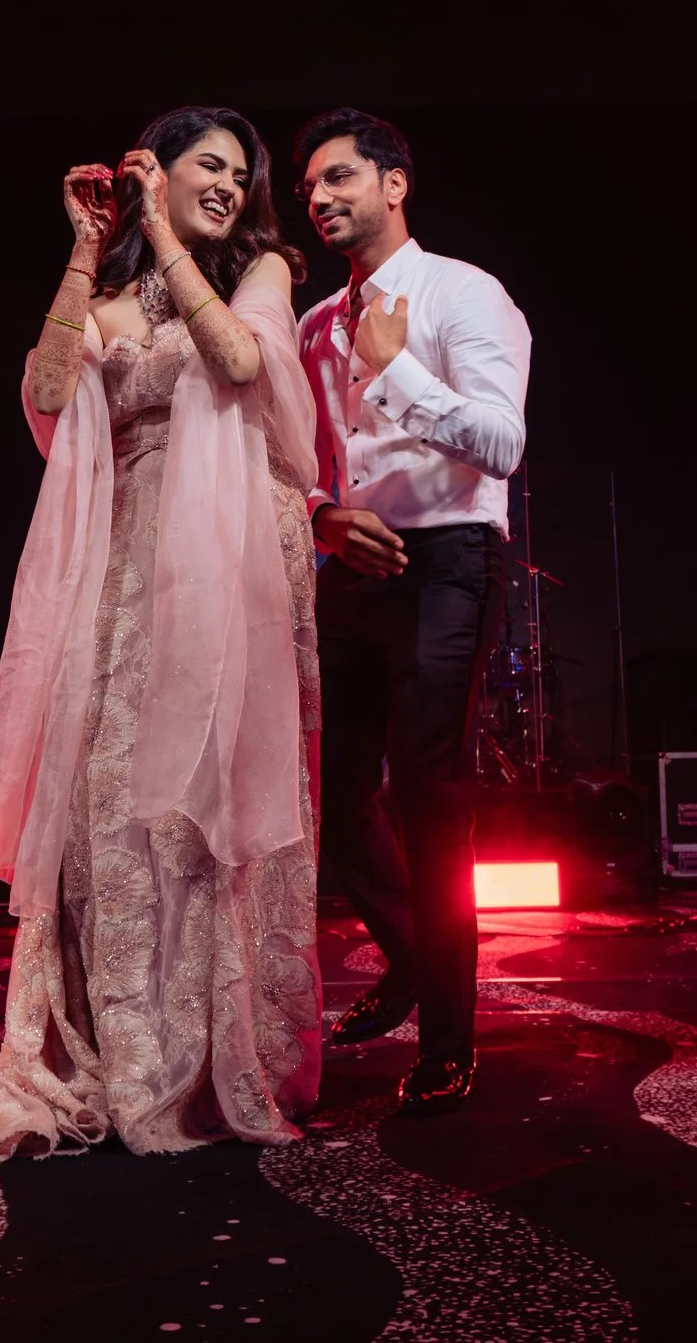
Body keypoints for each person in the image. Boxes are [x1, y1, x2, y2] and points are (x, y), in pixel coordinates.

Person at [0, 107, 323, 1157]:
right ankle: (118, 1044)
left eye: (242, 174)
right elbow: (50, 393)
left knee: (204, 802)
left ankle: (203, 1057)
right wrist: (83, 247)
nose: (231, 187)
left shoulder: (264, 272)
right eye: (212, 165)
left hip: (231, 558)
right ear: (161, 166)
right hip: (124, 567)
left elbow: (241, 364)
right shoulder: (110, 304)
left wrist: (159, 230)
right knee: (111, 798)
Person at [294, 108, 530, 1114]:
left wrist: (395, 371)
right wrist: (322, 519)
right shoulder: (309, 327)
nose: (320, 198)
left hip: (448, 559)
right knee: (332, 798)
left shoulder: (464, 293)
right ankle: (408, 962)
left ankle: (448, 1038)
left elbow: (502, 443)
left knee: (430, 796)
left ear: (395, 185)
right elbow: (298, 465)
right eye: (309, 188)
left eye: (341, 178)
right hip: (350, 562)